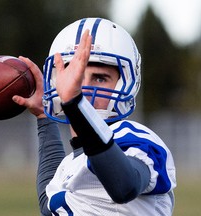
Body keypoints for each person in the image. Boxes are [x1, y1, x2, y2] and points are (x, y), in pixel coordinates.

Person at [13, 17, 176, 216]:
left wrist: (74, 103)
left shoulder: (131, 137)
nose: (84, 89)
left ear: (125, 82)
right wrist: (42, 117)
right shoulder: (71, 164)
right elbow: (50, 202)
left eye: (100, 78)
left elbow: (125, 186)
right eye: (75, 77)